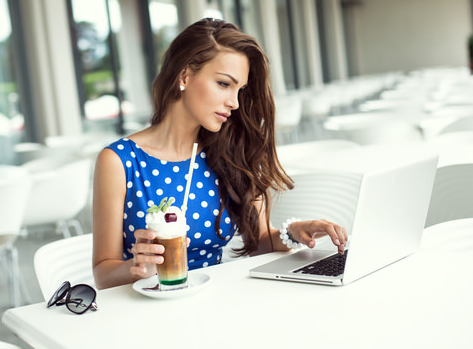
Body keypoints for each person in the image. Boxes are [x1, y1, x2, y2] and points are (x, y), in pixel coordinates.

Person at [92, 18, 347, 290]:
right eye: (224, 84)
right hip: (146, 312)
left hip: (218, 303)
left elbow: (261, 241)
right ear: (185, 75)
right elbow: (103, 272)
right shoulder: (119, 161)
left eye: (240, 90)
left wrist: (294, 233)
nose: (234, 103)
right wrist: (136, 268)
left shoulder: (230, 152)